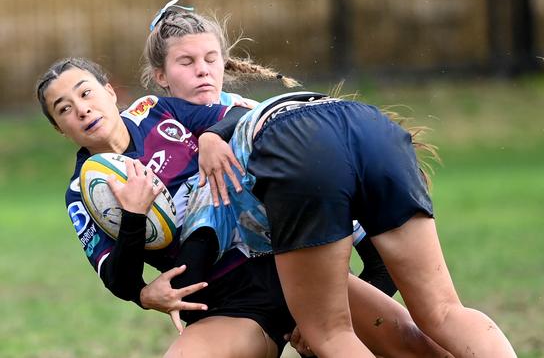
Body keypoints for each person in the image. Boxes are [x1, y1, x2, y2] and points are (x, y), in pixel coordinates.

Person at [36, 56, 450, 358]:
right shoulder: (82, 192)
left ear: (109, 92)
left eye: (86, 92)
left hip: (292, 260)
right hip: (227, 305)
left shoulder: (159, 112)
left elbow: (244, 117)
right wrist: (134, 224)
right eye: (64, 109)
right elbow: (118, 278)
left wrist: (213, 137)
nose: (82, 109)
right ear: (59, 128)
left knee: (414, 348)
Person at [139, 2, 448, 358]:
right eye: (187, 62)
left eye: (211, 59)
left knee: (415, 348)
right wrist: (142, 293)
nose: (203, 71)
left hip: (316, 283)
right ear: (160, 75)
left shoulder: (264, 127)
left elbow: (379, 260)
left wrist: (328, 318)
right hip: (242, 308)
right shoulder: (152, 147)